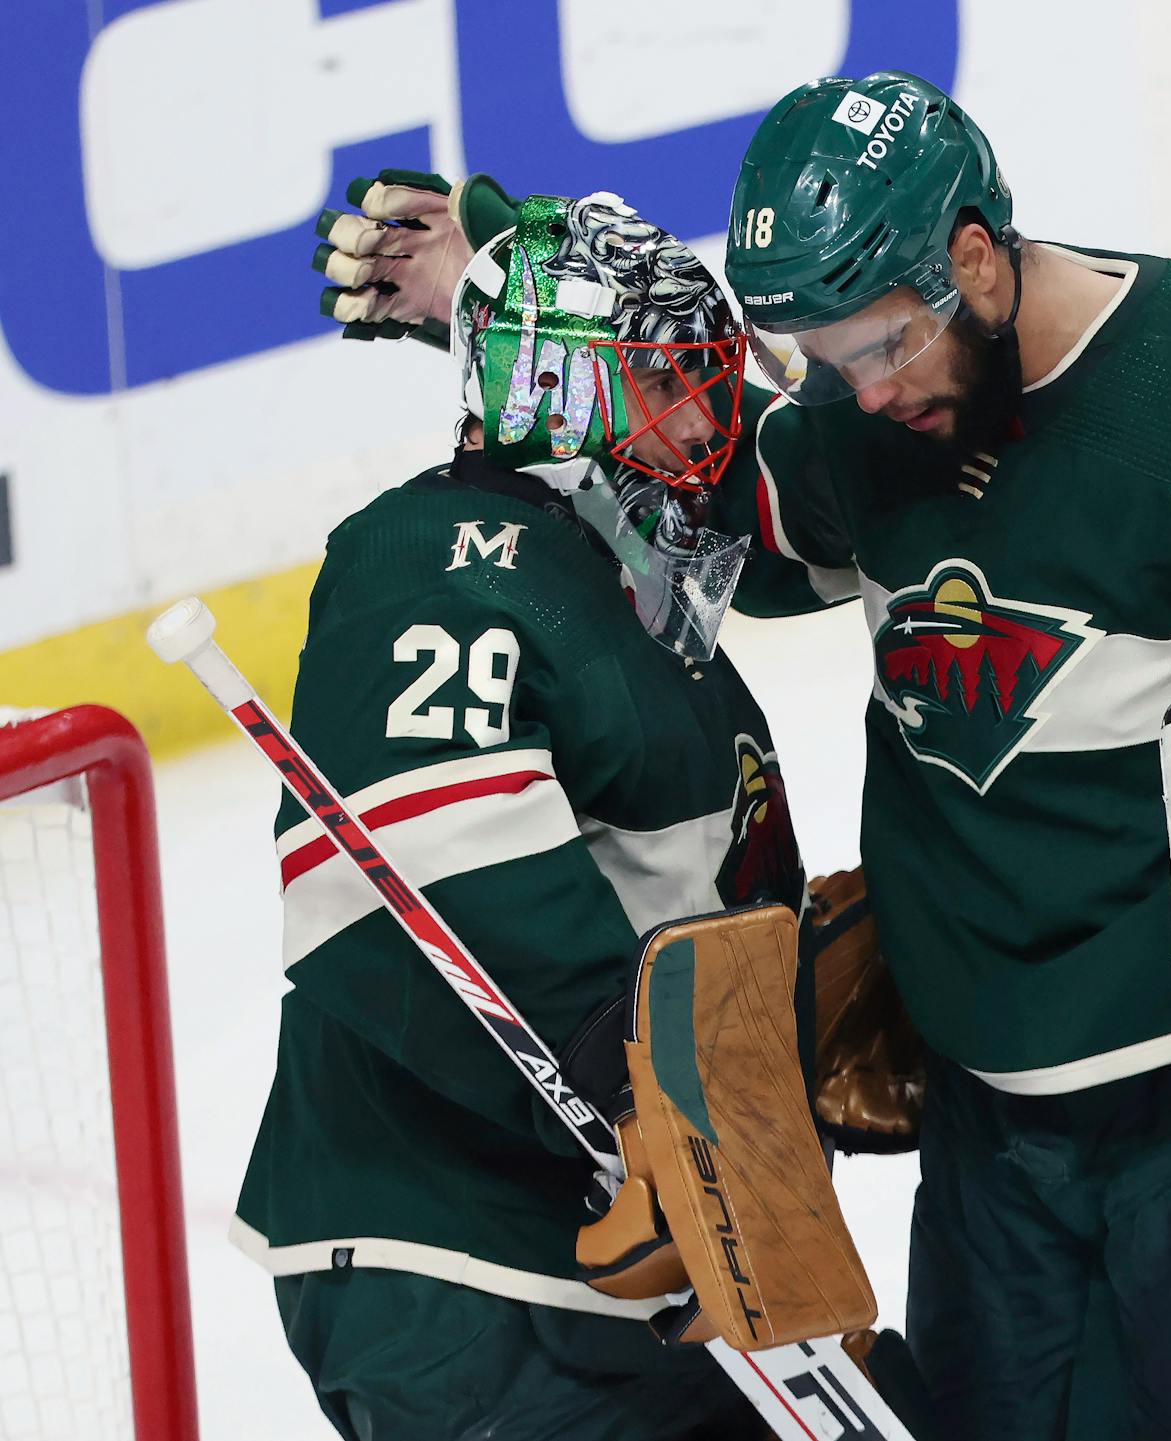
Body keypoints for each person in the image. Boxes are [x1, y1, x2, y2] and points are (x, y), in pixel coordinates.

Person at [311, 70, 1171, 1440]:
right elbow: (731, 497)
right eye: (816, 358)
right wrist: (505, 302)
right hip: (988, 1151)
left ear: (975, 260)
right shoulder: (867, 428)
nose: (855, 397)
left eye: (882, 348)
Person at [244, 190, 806, 1438]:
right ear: (550, 395)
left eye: (705, 380)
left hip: (626, 1273)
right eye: (665, 382)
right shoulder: (433, 559)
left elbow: (671, 910)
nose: (706, 423)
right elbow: (432, 890)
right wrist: (665, 1113)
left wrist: (798, 1015)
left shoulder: (625, 591)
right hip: (463, 1272)